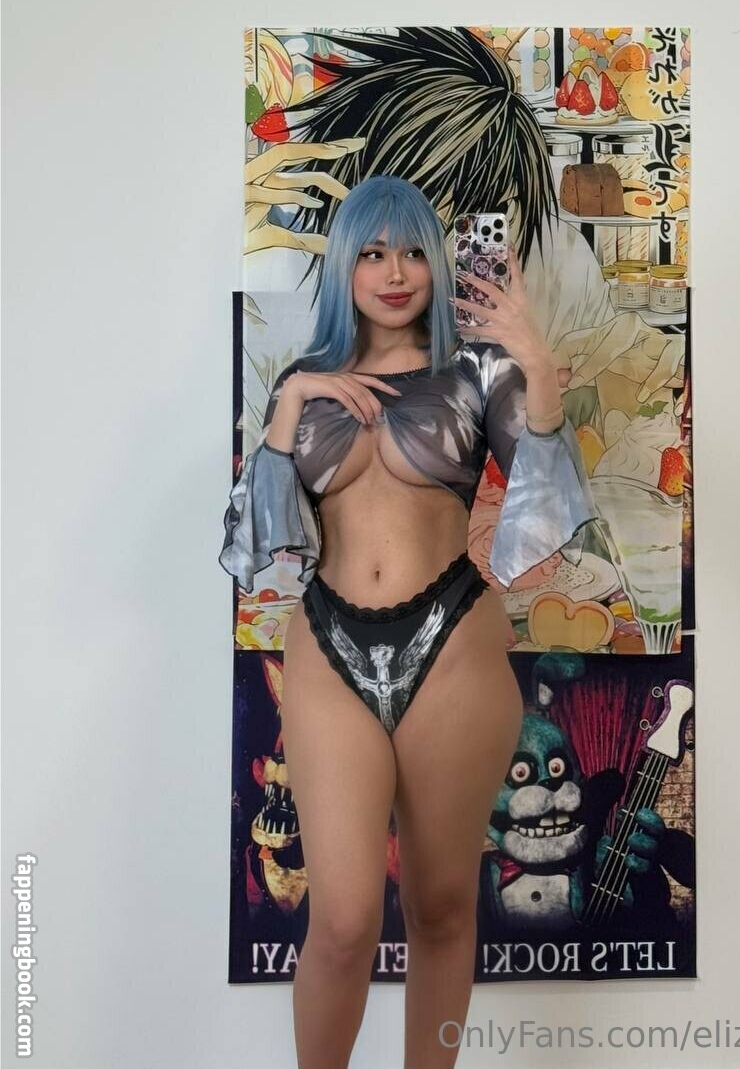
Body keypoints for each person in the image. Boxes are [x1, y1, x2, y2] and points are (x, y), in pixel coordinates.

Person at [219, 175, 597, 1069]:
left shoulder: (478, 371)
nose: (396, 274)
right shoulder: (302, 384)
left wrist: (536, 366)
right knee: (344, 922)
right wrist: (285, 414)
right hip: (330, 647)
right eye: (374, 253)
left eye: (416, 252)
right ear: (345, 266)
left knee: (441, 908)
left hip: (452, 645)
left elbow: (548, 495)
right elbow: (250, 542)